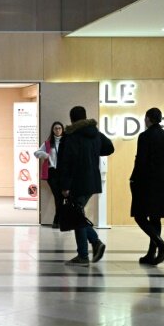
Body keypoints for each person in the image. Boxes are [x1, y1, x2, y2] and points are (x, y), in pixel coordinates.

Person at [57, 106, 114, 266]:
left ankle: (89, 248)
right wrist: (93, 153)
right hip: (92, 180)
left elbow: (67, 162)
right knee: (78, 214)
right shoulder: (95, 133)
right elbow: (110, 147)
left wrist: (65, 185)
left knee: (77, 217)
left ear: (72, 118)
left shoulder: (72, 136)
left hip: (77, 181)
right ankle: (87, 250)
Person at [130, 107, 164, 265]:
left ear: (148, 118)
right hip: (163, 181)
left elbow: (141, 160)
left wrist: (134, 178)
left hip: (146, 181)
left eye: (145, 118)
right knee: (155, 217)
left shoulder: (144, 136)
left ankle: (161, 245)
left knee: (140, 215)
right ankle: (152, 253)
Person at [34, 121, 65, 228]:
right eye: (56, 128)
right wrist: (45, 155)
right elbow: (36, 153)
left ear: (62, 130)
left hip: (63, 173)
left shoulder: (66, 142)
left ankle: (57, 221)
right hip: (52, 173)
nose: (58, 130)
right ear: (53, 130)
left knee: (61, 197)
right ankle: (58, 221)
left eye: (60, 128)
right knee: (58, 196)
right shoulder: (48, 143)